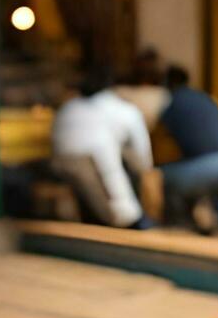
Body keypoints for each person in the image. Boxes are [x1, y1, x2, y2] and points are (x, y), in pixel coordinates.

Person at [50, 66, 155, 229]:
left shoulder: (68, 107)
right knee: (119, 209)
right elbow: (143, 155)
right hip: (93, 166)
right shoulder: (123, 109)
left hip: (60, 164)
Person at [157, 65, 218, 241]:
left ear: (168, 83)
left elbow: (161, 141)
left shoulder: (173, 104)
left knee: (165, 176)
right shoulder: (207, 98)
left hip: (207, 168)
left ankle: (181, 226)